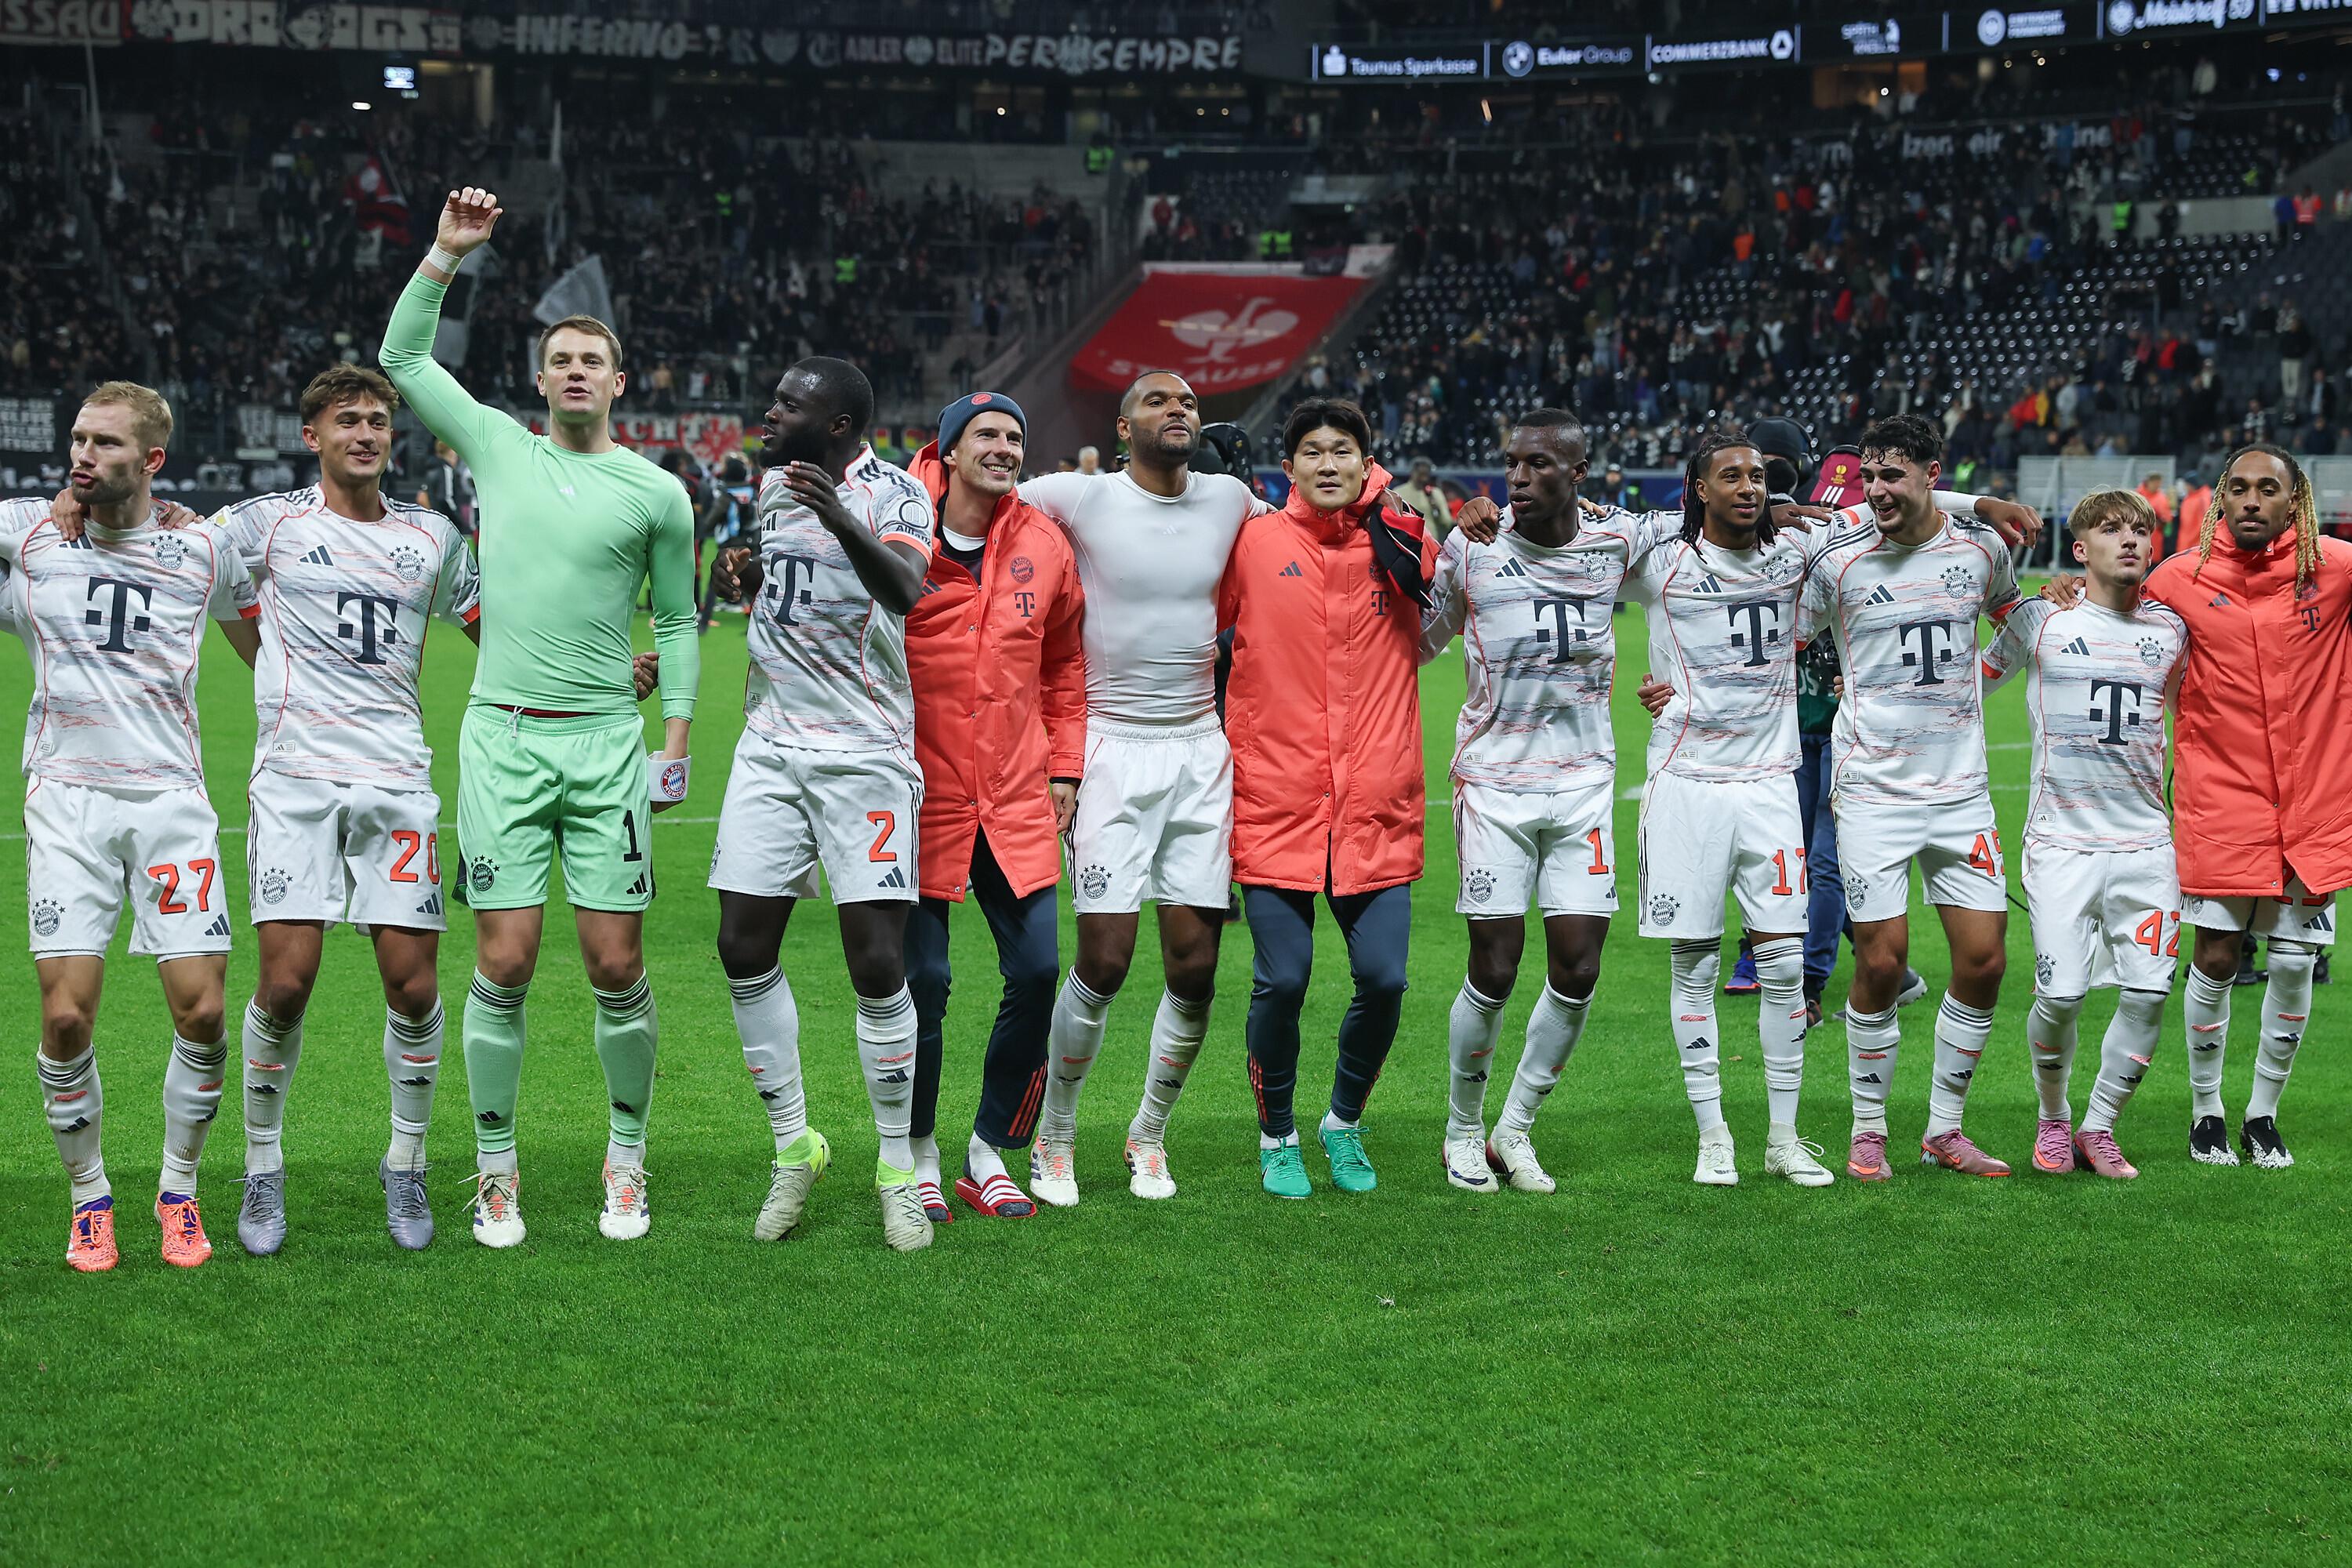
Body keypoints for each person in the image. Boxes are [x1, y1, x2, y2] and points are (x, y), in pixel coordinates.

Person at [52, 365, 488, 1254]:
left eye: (376, 421)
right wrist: (76, 503)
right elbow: (172, 551)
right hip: (292, 781)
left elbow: (500, 631)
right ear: (312, 437)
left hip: (398, 780)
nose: (365, 434)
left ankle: (406, 1161)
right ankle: (261, 1168)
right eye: (346, 422)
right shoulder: (262, 522)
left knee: (412, 986)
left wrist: (598, 673)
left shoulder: (431, 536)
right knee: (285, 986)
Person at [380, 187, 701, 1248]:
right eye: (558, 358)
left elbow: (683, 620)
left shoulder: (657, 493)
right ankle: (497, 1170)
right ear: (539, 377)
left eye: (590, 361)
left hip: (607, 742)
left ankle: (626, 1158)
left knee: (616, 964)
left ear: (618, 382)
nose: (573, 371)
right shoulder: (499, 447)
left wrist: (678, 737)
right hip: (504, 738)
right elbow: (406, 363)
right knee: (505, 960)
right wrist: (444, 254)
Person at [2, 383, 263, 1271]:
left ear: (151, 461)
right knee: (67, 1015)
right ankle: (89, 1201)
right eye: (77, 437)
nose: (82, 454)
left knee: (202, 1008)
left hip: (170, 806)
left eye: (105, 443)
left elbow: (264, 633)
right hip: (66, 801)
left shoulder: (201, 546)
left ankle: (179, 1191)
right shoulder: (28, 532)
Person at [2052, 443, 2350, 1167]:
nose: (2252, 500)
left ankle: (2264, 1113)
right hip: (2222, 799)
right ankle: (2207, 1111)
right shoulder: (2178, 580)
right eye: (2239, 488)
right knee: (2215, 956)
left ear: (2294, 502)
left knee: (2291, 960)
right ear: (2221, 498)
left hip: (2315, 802)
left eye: (2268, 490)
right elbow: (2116, 606)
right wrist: (2070, 589)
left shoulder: (2336, 570)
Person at [702, 358, 936, 1250]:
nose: (770, 411)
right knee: (740, 942)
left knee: (876, 962)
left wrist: (838, 515)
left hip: (865, 755)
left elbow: (909, 592)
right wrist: (746, 575)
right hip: (770, 744)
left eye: (790, 405)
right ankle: (795, 1146)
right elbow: (783, 581)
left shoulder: (897, 494)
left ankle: (894, 1167)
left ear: (837, 426)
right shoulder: (770, 486)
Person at [1009, 372, 1260, 1205]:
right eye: (1157, 401)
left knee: (1195, 965)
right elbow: (975, 483)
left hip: (1200, 749)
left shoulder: (1227, 499)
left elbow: (1313, 520)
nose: (1178, 409)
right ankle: (1057, 1135)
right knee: (1106, 958)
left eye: (1187, 401)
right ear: (1124, 427)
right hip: (1111, 746)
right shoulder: (1078, 497)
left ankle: (1148, 1132)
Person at [1424, 409, 1668, 1196]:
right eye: (1511, 464)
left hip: (1584, 784)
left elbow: (1711, 536)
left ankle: (1515, 1125)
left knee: (1579, 965)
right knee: (1493, 966)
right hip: (1493, 785)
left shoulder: (1615, 541)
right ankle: (1461, 1129)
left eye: (1537, 464)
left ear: (1579, 473)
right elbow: (1421, 636)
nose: (1518, 478)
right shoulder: (1473, 548)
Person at [1798, 415, 2024, 1181]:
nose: (1880, 491)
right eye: (1870, 477)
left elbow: (2011, 621)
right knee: (1884, 961)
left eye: (1895, 474)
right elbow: (1785, 637)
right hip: (1871, 790)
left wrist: (1979, 681)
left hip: (1960, 793)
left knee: (1985, 961)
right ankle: (1868, 1129)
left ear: (1932, 471)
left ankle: (1944, 1129)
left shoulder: (1981, 550)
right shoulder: (1840, 560)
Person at [1221, 398, 1435, 1198]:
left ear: (1365, 460)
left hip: (1375, 803)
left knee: (1383, 978)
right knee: (1283, 979)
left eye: (1342, 450)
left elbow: (1462, 607)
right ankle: (1277, 1132)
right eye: (1312, 450)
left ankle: (1342, 1120)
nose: (1328, 464)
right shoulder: (1252, 543)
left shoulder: (1405, 540)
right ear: (1290, 466)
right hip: (1277, 798)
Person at [1620, 433, 1837, 1188]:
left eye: (1759, 476)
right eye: (1732, 476)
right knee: (1695, 964)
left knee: (1783, 967)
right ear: (1699, 489)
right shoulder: (1659, 563)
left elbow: (1891, 512)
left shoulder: (1796, 553)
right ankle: (1714, 1135)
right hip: (1686, 787)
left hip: (1772, 784)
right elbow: (1568, 546)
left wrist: (1978, 505)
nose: (1750, 487)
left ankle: (1782, 1137)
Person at [902, 393, 1087, 1222]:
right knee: (924, 983)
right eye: (988, 435)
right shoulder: (897, 530)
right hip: (915, 792)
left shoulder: (1044, 545)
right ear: (948, 449)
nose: (1006, 448)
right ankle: (917, 1153)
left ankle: (987, 1149)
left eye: (1017, 435)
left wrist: (1068, 767)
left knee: (1040, 969)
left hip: (1013, 790)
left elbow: (1065, 664)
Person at [1981, 490, 2186, 1181]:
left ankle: (2099, 1127)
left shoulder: (2173, 630)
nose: (2128, 540)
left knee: (2151, 991)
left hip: (2148, 845)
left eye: (2139, 530)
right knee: (2063, 994)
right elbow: (1966, 685)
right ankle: (2052, 1117)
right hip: (2061, 843)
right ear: (2080, 549)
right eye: (2110, 529)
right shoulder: (2042, 619)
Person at [415, 438, 473, 537]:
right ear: (451, 452)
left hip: (432, 524)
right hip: (445, 524)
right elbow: (446, 498)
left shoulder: (431, 468)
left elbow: (421, 497)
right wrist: (459, 520)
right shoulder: (446, 470)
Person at [1392, 455, 1448, 535]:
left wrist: (1436, 508)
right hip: (1406, 541)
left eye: (1426, 473)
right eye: (1420, 473)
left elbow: (1447, 522)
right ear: (1412, 472)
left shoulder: (1435, 493)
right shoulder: (1399, 493)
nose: (1423, 477)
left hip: (1430, 541)